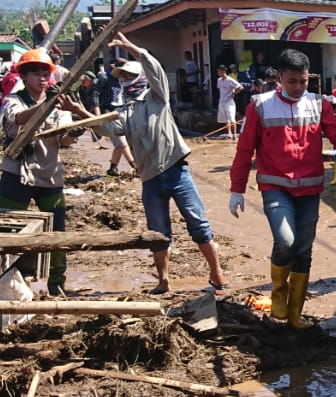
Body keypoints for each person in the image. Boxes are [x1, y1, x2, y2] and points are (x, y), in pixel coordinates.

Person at [228, 49, 336, 328]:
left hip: (310, 189)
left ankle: (295, 314)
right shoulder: (260, 105)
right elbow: (244, 150)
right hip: (275, 186)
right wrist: (236, 189)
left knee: (304, 250)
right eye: (292, 81)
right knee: (286, 241)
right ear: (279, 78)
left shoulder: (318, 104)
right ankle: (278, 294)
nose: (299, 87)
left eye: (303, 81)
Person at [104, 32, 228, 295]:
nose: (124, 80)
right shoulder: (125, 111)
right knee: (158, 232)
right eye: (121, 77)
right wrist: (80, 113)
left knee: (198, 223)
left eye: (128, 75)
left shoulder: (156, 97)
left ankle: (216, 272)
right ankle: (163, 280)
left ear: (140, 76)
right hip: (149, 178)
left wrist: (133, 48)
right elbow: (109, 128)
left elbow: (155, 67)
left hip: (176, 171)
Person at [0, 48, 93, 297]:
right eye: (35, 73)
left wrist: (76, 131)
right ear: (24, 77)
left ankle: (57, 283)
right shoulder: (14, 100)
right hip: (17, 174)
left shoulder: (59, 106)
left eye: (44, 73)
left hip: (49, 175)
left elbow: (64, 140)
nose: (41, 78)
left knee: (58, 233)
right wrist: (46, 104)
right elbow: (17, 119)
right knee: (4, 228)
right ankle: (4, 279)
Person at [97, 59, 136, 177]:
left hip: (120, 113)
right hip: (108, 112)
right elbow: (95, 95)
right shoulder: (106, 79)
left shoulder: (123, 82)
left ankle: (113, 168)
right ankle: (135, 166)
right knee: (122, 143)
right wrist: (98, 114)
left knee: (120, 143)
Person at [215, 64, 241, 140]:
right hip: (222, 101)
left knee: (232, 118)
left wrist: (233, 93)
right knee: (226, 119)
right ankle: (229, 133)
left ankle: (235, 134)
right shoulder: (219, 80)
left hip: (229, 102)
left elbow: (240, 87)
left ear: (223, 72)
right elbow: (219, 89)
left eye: (219, 72)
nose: (218, 73)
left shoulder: (230, 80)